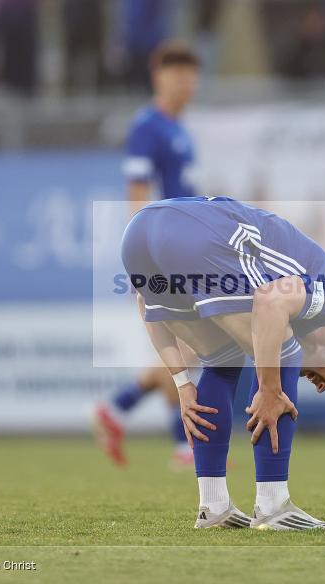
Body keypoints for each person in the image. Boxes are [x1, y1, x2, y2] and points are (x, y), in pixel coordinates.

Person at [119, 196, 325, 530]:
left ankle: (214, 508)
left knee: (224, 358)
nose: (320, 384)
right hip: (194, 234)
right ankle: (273, 507)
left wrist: (183, 384)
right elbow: (269, 300)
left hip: (137, 234)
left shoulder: (301, 287)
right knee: (281, 350)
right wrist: (270, 388)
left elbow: (145, 301)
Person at [92, 42, 202, 470]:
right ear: (157, 77)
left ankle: (125, 413)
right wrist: (140, 256)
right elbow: (136, 195)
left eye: (190, 74)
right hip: (162, 250)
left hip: (183, 248)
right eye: (175, 73)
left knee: (181, 345)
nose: (184, 82)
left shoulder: (180, 129)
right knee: (193, 343)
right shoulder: (148, 128)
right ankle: (149, 425)